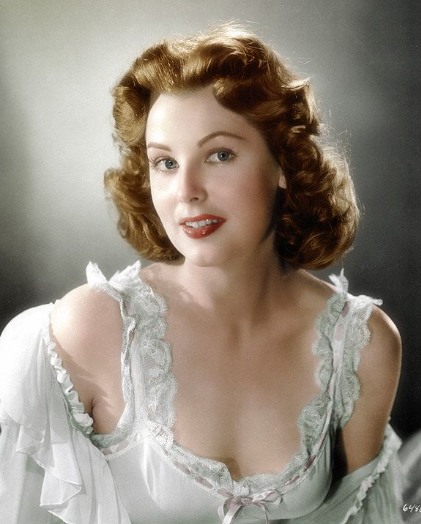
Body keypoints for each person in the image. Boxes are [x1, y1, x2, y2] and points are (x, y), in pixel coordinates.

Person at [0, 22, 404, 524]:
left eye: (219, 155)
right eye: (165, 163)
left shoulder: (360, 344)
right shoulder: (87, 330)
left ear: (284, 163)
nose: (187, 190)